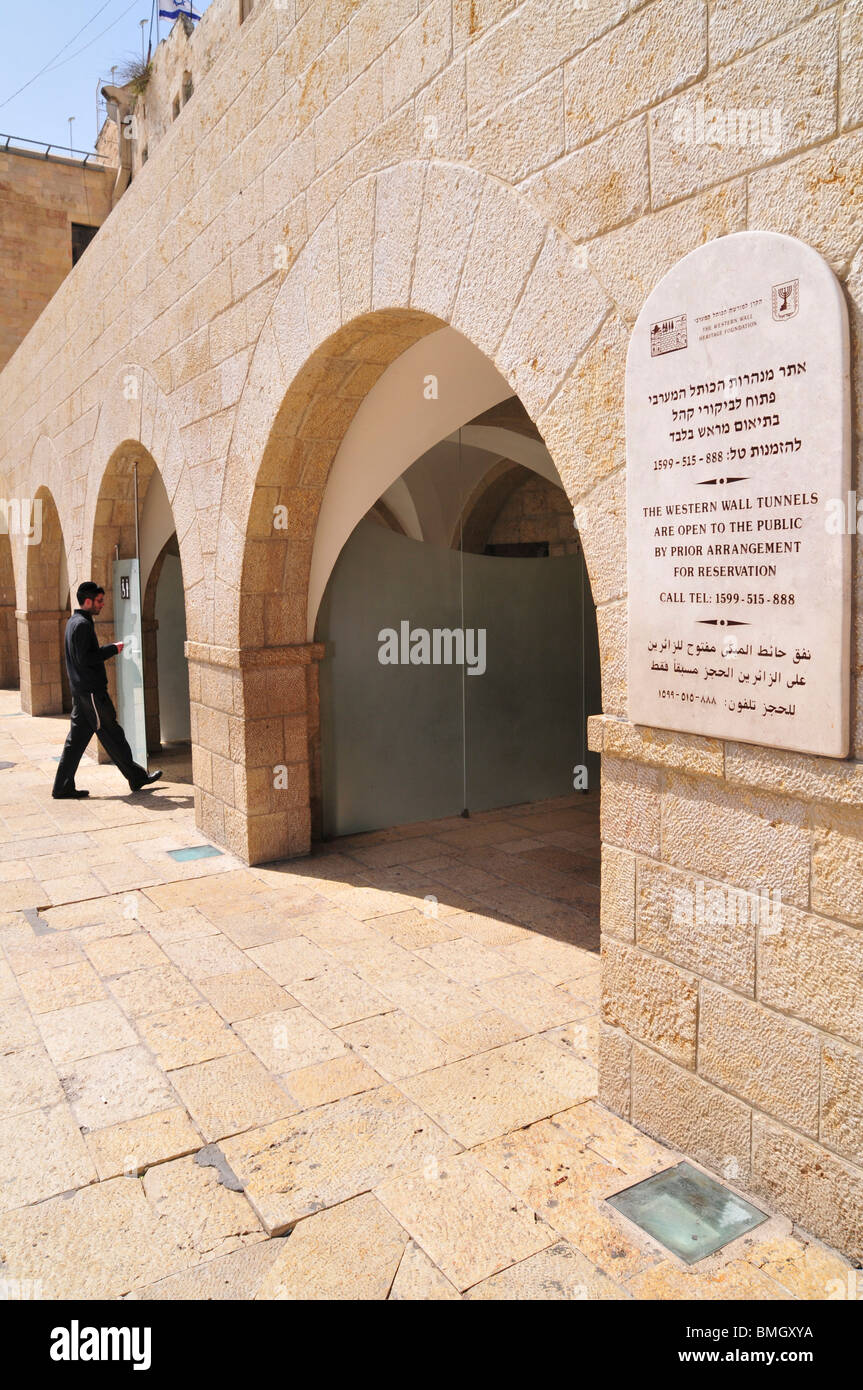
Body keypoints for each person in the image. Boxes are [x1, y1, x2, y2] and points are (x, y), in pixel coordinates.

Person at [52, 581, 162, 800]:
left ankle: (62, 787)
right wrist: (113, 649)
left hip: (83, 693)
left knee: (76, 742)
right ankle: (137, 777)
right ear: (88, 601)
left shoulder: (73, 621)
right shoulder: (82, 625)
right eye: (99, 601)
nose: (102, 605)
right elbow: (86, 659)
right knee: (113, 734)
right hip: (92, 693)